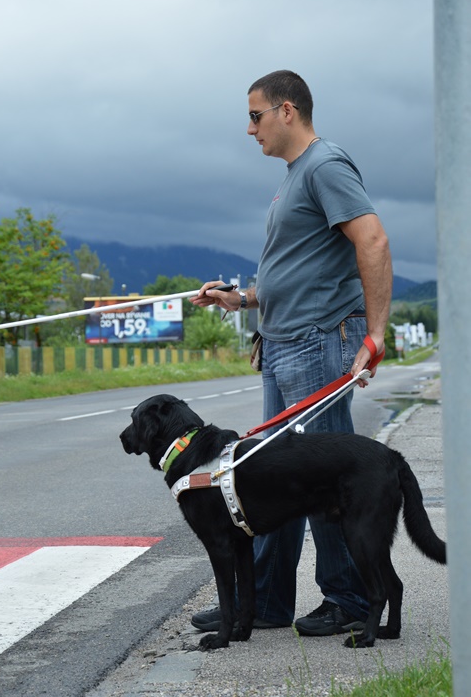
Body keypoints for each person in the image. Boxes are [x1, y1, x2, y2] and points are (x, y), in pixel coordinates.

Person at [189, 69, 393, 637]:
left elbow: (372, 240)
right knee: (272, 477)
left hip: (319, 341)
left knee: (323, 475)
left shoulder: (325, 165)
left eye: (255, 116)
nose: (249, 129)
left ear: (286, 110)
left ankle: (348, 598)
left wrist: (375, 335)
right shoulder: (293, 177)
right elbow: (296, 270)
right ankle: (267, 604)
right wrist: (242, 298)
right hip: (283, 342)